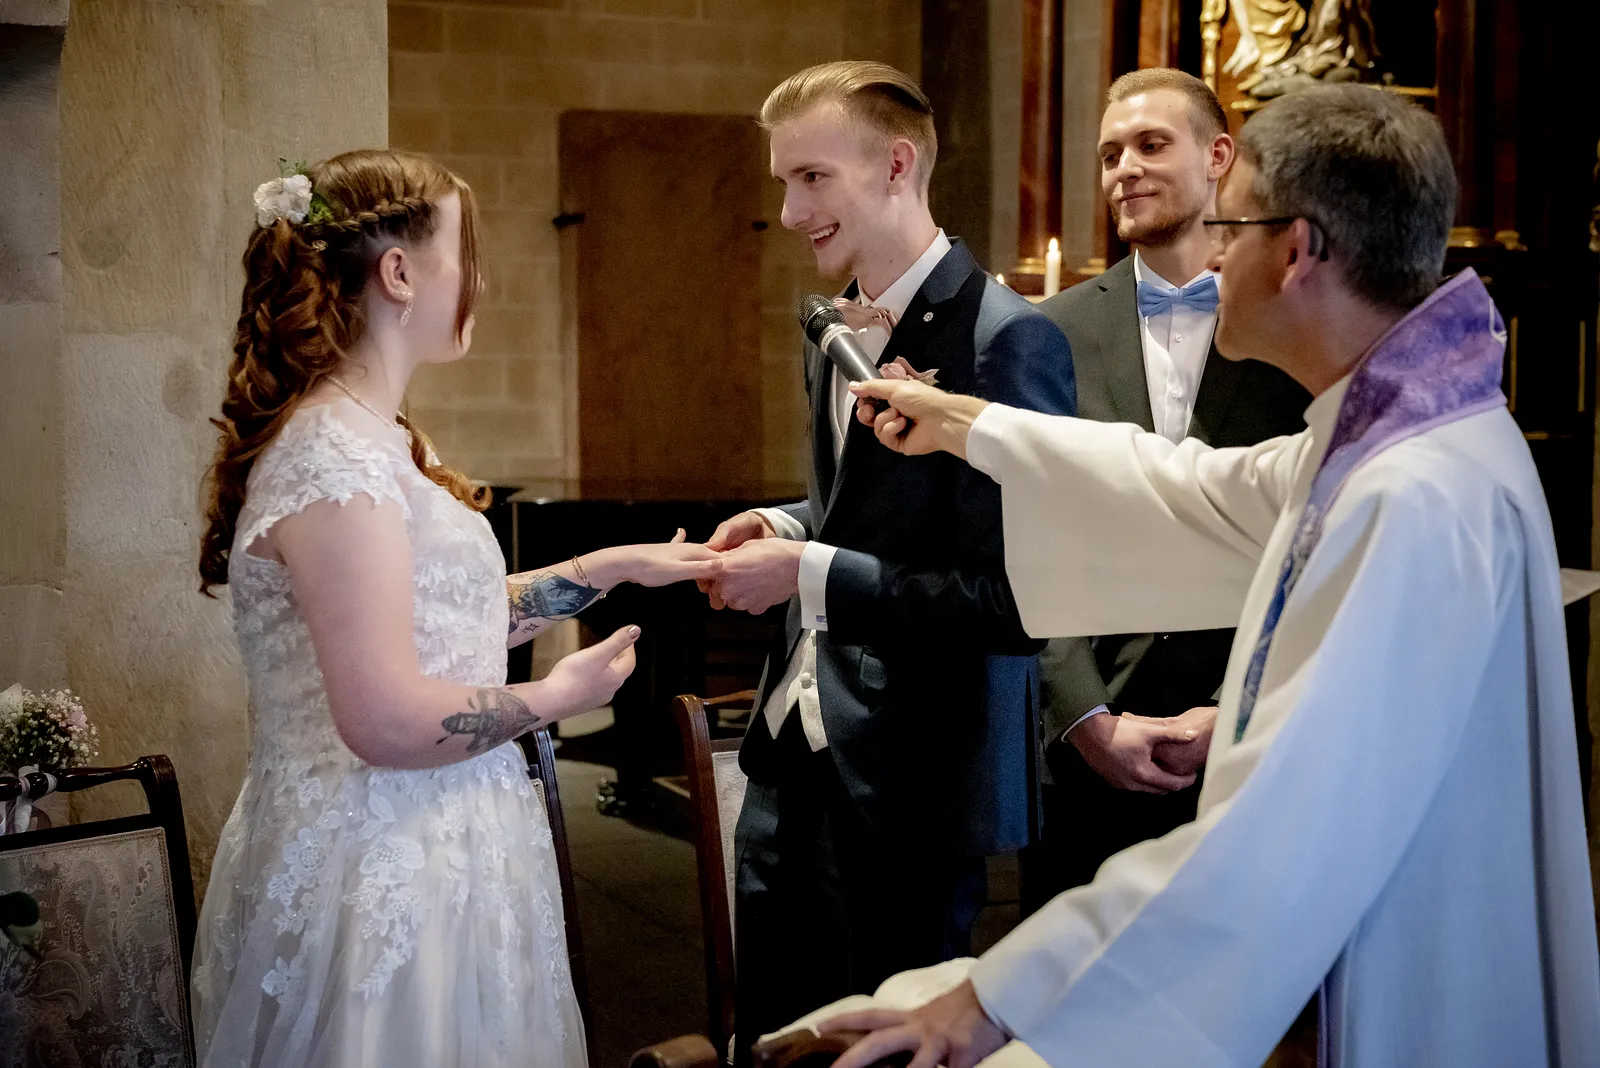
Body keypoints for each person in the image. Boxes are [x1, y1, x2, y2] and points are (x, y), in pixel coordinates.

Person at [831, 85, 1600, 1067]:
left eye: (1230, 227)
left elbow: (1282, 827)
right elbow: (1188, 489)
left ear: (1299, 249)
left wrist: (999, 993)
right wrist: (971, 425)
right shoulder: (1392, 435)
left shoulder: (1412, 492)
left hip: (1400, 984)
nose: (1212, 253)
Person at [191, 149, 719, 1068]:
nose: (478, 278)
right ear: (399, 272)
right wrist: (557, 697)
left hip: (443, 849)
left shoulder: (376, 439)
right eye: (463, 251)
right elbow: (385, 718)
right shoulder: (333, 462)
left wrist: (612, 566)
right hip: (379, 871)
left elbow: (440, 616)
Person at [697, 62, 1076, 1059]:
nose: (786, 211)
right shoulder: (830, 326)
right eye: (783, 182)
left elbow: (1013, 600)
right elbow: (862, 511)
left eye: (811, 178)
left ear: (896, 166)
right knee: (775, 1041)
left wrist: (812, 573)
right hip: (789, 761)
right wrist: (788, 525)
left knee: (881, 1051)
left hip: (915, 783)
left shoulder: (1007, 340)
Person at [1026, 69, 1308, 908]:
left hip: (1252, 743)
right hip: (1090, 745)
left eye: (1151, 145)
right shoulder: (1049, 332)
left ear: (1219, 155)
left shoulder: (1291, 322)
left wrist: (1235, 710)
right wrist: (1081, 716)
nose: (1124, 169)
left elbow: (1308, 532)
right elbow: (1024, 537)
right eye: (1110, 154)